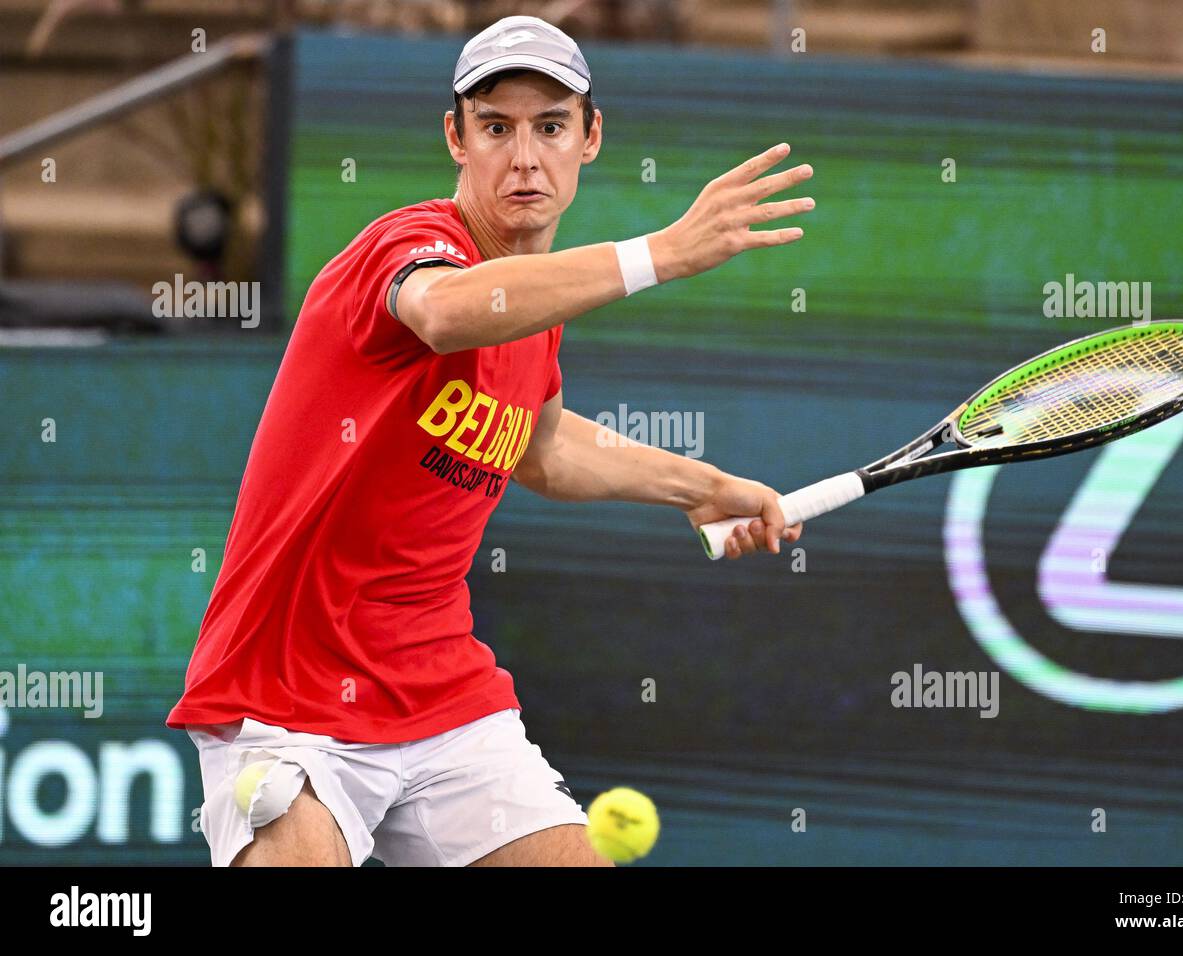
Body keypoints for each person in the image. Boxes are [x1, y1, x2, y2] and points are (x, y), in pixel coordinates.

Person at [166, 14, 813, 867]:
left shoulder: (535, 312)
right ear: (456, 139)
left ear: (590, 139)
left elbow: (540, 445)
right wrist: (662, 253)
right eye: (496, 128)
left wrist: (699, 486)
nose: (524, 156)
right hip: (287, 693)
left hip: (440, 693)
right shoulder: (408, 249)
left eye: (550, 127)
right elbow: (445, 310)